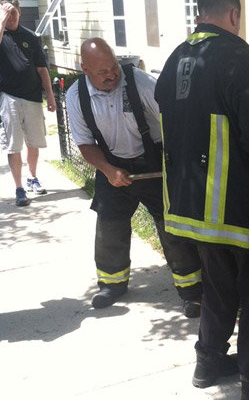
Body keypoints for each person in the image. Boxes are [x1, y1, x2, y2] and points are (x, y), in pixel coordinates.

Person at [155, 0, 249, 399]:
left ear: (201, 14)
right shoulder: (242, 61)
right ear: (233, 15)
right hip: (240, 209)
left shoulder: (176, 59)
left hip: (191, 206)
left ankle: (208, 361)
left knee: (218, 287)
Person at [65, 38, 202, 317]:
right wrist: (108, 170)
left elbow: (174, 121)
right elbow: (85, 145)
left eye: (114, 66)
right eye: (102, 71)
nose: (111, 74)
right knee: (109, 225)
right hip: (111, 164)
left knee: (171, 226)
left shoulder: (140, 83)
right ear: (85, 69)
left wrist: (180, 162)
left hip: (152, 161)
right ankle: (112, 284)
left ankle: (191, 291)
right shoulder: (75, 96)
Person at [0, 0, 56, 207]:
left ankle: (32, 177)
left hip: (32, 97)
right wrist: (1, 20)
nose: (11, 17)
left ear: (20, 12)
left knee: (34, 142)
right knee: (13, 146)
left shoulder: (31, 37)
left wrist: (50, 95)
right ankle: (19, 188)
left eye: (14, 13)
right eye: (8, 13)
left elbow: (42, 69)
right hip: (9, 98)